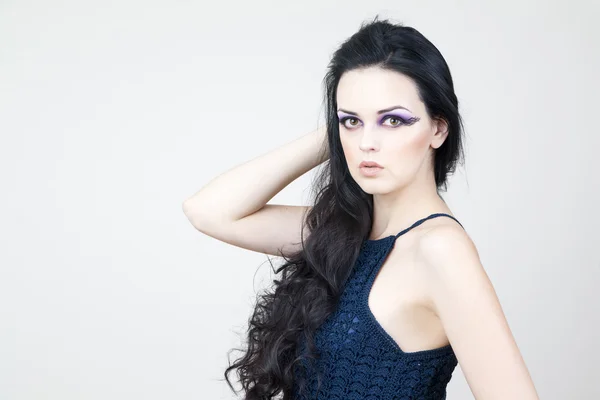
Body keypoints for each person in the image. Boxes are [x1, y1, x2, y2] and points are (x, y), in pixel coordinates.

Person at [182, 15, 539, 400]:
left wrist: (357, 120)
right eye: (351, 121)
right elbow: (209, 211)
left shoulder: (440, 250)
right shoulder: (339, 233)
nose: (367, 143)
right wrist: (340, 130)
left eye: (393, 120)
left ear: (438, 128)